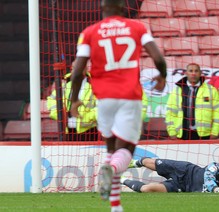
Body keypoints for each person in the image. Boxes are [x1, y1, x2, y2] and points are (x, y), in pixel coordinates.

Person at [69, 0, 167, 211]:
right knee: (126, 150)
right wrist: (162, 76)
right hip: (129, 96)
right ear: (123, 7)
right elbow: (158, 58)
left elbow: (77, 71)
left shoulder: (90, 32)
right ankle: (111, 169)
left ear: (102, 9)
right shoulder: (137, 27)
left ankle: (115, 206)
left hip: (103, 99)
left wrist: (74, 99)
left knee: (112, 149)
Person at [121, 158, 219, 193]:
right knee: (148, 162)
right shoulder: (217, 167)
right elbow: (209, 181)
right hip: (184, 170)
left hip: (182, 187)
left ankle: (121, 180)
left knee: (146, 189)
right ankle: (131, 163)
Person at [165, 63, 219, 140]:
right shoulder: (177, 91)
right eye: (191, 71)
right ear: (186, 73)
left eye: (196, 71)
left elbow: (217, 113)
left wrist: (215, 132)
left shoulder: (211, 90)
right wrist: (172, 133)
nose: (193, 73)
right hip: (183, 135)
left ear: (200, 73)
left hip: (205, 135)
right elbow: (170, 113)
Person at [47, 60, 99, 141]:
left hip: (89, 131)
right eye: (73, 68)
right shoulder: (64, 84)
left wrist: (87, 117)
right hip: (68, 131)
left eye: (78, 67)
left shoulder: (94, 84)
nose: (74, 70)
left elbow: (102, 104)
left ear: (85, 69)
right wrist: (59, 114)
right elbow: (52, 100)